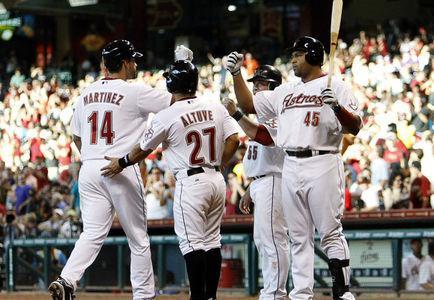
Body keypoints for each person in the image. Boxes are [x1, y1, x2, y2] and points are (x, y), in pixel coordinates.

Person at [226, 36, 362, 300]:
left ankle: (342, 292)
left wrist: (337, 107)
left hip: (322, 159)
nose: (293, 59)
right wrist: (235, 74)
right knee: (299, 236)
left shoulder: (336, 85)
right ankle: (301, 294)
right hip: (290, 164)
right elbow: (248, 105)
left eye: (298, 54)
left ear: (312, 56)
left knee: (330, 232)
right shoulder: (286, 90)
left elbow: (354, 126)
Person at [100, 59, 240, 300]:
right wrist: (220, 163)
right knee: (212, 241)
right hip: (216, 179)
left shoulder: (167, 114)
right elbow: (234, 139)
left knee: (192, 244)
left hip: (191, 181)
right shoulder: (215, 106)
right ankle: (210, 297)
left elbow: (142, 149)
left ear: (173, 83)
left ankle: (198, 297)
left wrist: (121, 162)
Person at [48, 39, 175, 300]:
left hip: (90, 166)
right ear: (125, 63)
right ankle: (143, 295)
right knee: (138, 238)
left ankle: (67, 279)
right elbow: (178, 100)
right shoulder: (135, 91)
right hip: (120, 166)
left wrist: (91, 158)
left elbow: (76, 136)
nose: (136, 64)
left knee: (92, 232)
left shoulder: (85, 94)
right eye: (133, 60)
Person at [230, 64, 290, 299]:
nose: (255, 87)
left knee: (273, 239)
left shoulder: (277, 111)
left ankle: (275, 293)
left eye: (261, 83)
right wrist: (250, 188)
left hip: (275, 180)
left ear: (274, 86)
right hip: (262, 182)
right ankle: (272, 291)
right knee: (264, 240)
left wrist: (237, 114)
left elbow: (264, 138)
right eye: (254, 83)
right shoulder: (263, 115)